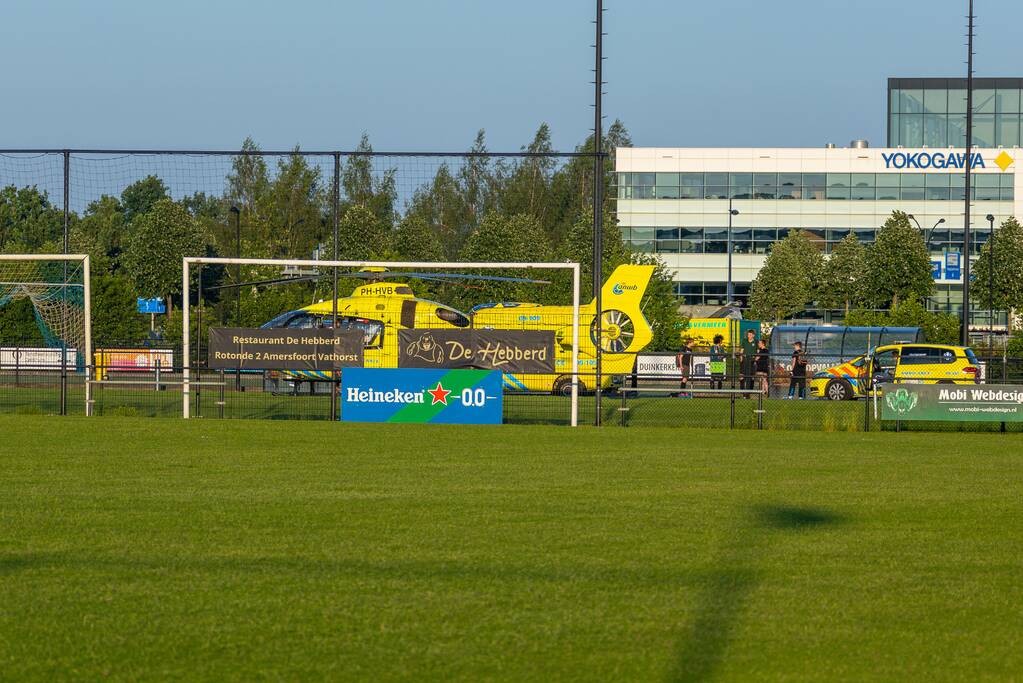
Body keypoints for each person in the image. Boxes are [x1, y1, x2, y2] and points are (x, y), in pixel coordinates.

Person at [739, 329, 757, 397]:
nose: (748, 336)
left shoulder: (756, 342)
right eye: (748, 334)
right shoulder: (744, 340)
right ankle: (742, 391)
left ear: (753, 335)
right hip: (744, 360)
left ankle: (748, 392)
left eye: (750, 334)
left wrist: (755, 360)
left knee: (750, 377)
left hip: (751, 361)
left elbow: (758, 351)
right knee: (742, 376)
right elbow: (741, 350)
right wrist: (741, 358)